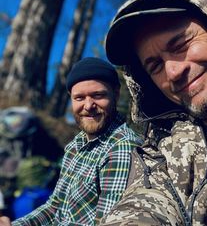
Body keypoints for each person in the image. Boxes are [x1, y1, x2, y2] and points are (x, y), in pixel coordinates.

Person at [99, 0, 207, 225]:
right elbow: (147, 199)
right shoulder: (162, 143)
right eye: (155, 66)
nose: (173, 72)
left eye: (181, 46)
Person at [0, 57, 142, 226]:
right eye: (79, 98)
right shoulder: (76, 145)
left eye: (98, 95)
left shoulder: (122, 148)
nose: (88, 105)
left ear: (116, 94)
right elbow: (54, 207)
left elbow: (104, 223)